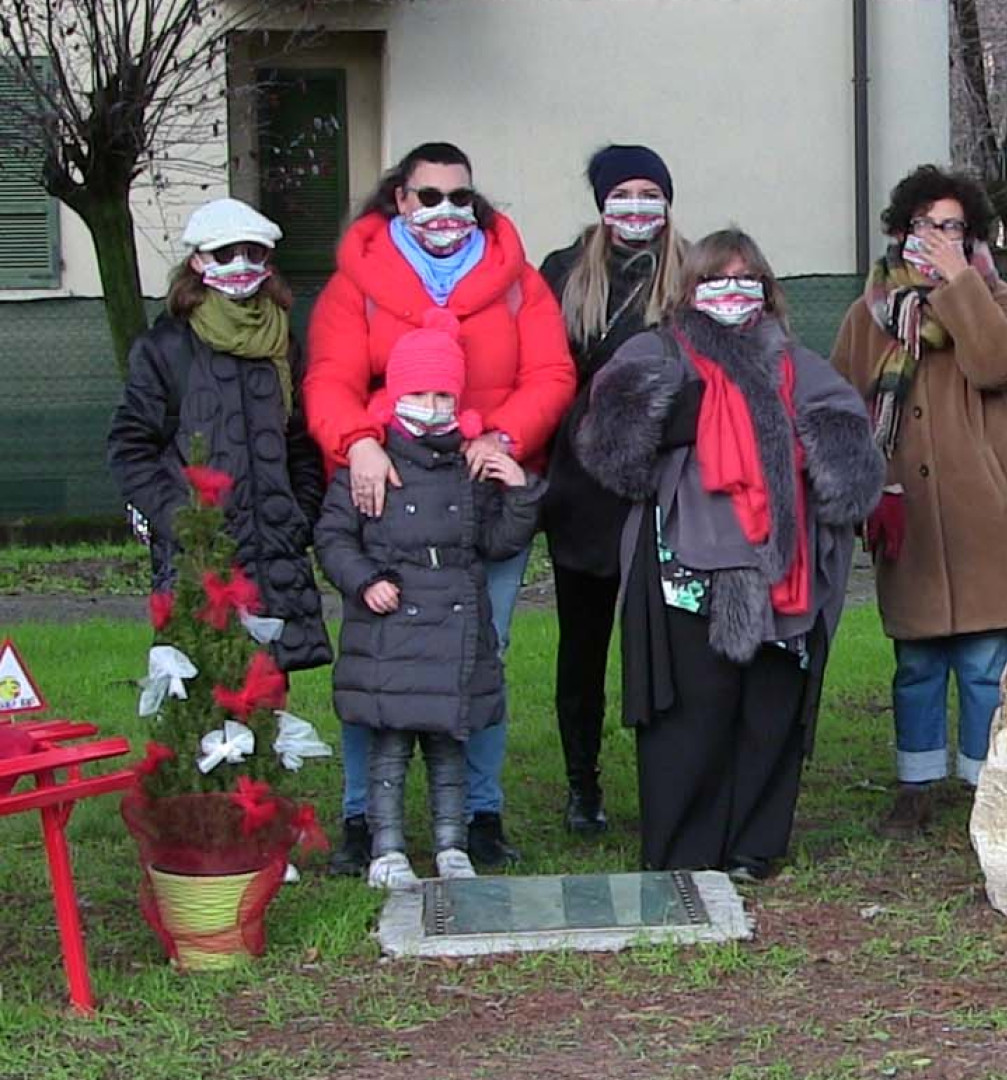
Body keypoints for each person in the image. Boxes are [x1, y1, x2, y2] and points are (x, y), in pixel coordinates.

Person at [575, 229, 883, 879]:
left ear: (767, 292)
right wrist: (689, 414)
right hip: (685, 569)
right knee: (693, 713)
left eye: (747, 280)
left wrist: (824, 456)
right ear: (690, 290)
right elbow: (609, 446)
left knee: (770, 709)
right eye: (717, 280)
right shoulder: (655, 351)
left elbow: (850, 452)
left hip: (783, 571)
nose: (732, 292)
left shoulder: (798, 364)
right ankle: (684, 849)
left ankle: (753, 846)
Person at [305, 141, 576, 874]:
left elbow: (550, 373)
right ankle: (364, 819)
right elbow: (328, 378)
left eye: (460, 196)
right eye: (429, 196)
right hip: (387, 503)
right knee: (377, 661)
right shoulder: (356, 287)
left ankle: (478, 815)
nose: (446, 210)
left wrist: (504, 437)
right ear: (401, 199)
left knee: (482, 656)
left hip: (478, 500)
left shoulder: (518, 283)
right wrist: (359, 442)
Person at [830, 165, 1007, 840]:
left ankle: (986, 786)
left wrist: (959, 286)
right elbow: (842, 401)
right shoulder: (868, 314)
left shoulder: (999, 298)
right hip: (909, 511)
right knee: (917, 662)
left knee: (985, 662)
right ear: (902, 231)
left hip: (989, 512)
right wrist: (865, 483)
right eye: (927, 225)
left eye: (954, 227)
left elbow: (996, 363)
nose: (940, 239)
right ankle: (915, 786)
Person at [316, 310, 546, 889]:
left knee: (450, 746)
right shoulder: (367, 465)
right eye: (419, 394)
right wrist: (365, 580)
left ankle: (453, 844)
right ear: (396, 394)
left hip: (456, 628)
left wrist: (519, 493)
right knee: (388, 749)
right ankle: (386, 848)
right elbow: (334, 537)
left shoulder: (469, 466)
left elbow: (495, 541)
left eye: (443, 395)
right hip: (390, 627)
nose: (432, 405)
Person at [108, 197, 331, 672]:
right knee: (204, 696)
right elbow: (131, 448)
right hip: (201, 556)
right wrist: (182, 521)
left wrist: (300, 515)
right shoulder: (164, 347)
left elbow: (299, 443)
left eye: (253, 252)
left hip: (274, 554)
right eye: (225, 253)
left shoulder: (282, 342)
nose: (240, 264)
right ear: (197, 261)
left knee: (269, 692)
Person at [538, 144, 687, 835]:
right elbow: (544, 372)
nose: (636, 208)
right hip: (584, 486)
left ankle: (671, 774)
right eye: (621, 195)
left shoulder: (692, 271)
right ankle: (581, 784)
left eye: (649, 194)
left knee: (670, 642)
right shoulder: (565, 272)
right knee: (584, 645)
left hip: (668, 484)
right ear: (601, 204)